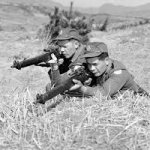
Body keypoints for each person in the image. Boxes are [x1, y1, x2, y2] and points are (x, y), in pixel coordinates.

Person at [69, 42, 149, 98]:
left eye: (95, 64)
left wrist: (82, 88)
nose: (91, 68)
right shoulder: (100, 68)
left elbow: (104, 93)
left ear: (106, 60)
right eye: (89, 64)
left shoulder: (119, 73)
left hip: (139, 102)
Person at [45, 28, 88, 92]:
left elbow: (57, 84)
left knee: (49, 87)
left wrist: (54, 67)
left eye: (65, 47)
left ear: (76, 44)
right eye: (60, 46)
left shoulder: (82, 59)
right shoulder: (71, 55)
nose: (62, 50)